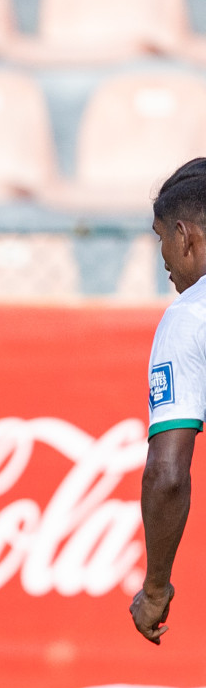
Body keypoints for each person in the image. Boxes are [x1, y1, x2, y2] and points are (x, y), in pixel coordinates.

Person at [133, 158, 206, 644]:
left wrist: (156, 586)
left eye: (161, 239)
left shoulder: (191, 315)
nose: (162, 259)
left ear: (183, 235)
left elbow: (167, 474)